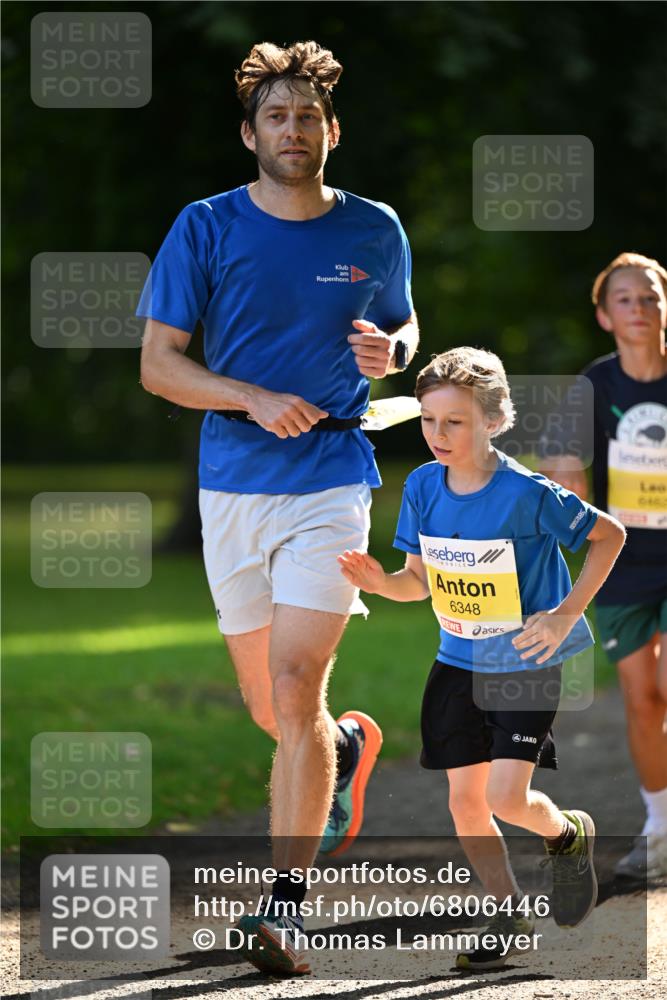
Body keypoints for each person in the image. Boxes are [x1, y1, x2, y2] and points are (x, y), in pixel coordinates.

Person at [137, 40, 419, 975]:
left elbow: (403, 322)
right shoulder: (205, 226)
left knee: (297, 685)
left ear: (332, 131)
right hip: (232, 485)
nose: (292, 130)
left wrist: (394, 351)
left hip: (332, 478)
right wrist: (249, 397)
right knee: (273, 708)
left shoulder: (374, 227)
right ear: (249, 134)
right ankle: (344, 749)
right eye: (276, 116)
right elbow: (159, 366)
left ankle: (284, 909)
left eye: (307, 117)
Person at [339, 347, 625, 969]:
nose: (437, 434)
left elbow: (610, 536)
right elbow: (417, 582)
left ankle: (566, 834)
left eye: (455, 422)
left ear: (494, 421)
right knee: (464, 802)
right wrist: (377, 582)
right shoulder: (422, 485)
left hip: (524, 663)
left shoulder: (526, 492)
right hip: (457, 662)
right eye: (428, 420)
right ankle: (507, 911)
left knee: (505, 800)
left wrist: (565, 613)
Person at [542, 252, 667, 879]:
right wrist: (565, 476)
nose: (638, 308)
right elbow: (563, 466)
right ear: (604, 315)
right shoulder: (596, 385)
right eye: (624, 299)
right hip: (626, 564)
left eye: (649, 297)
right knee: (643, 700)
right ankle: (660, 828)